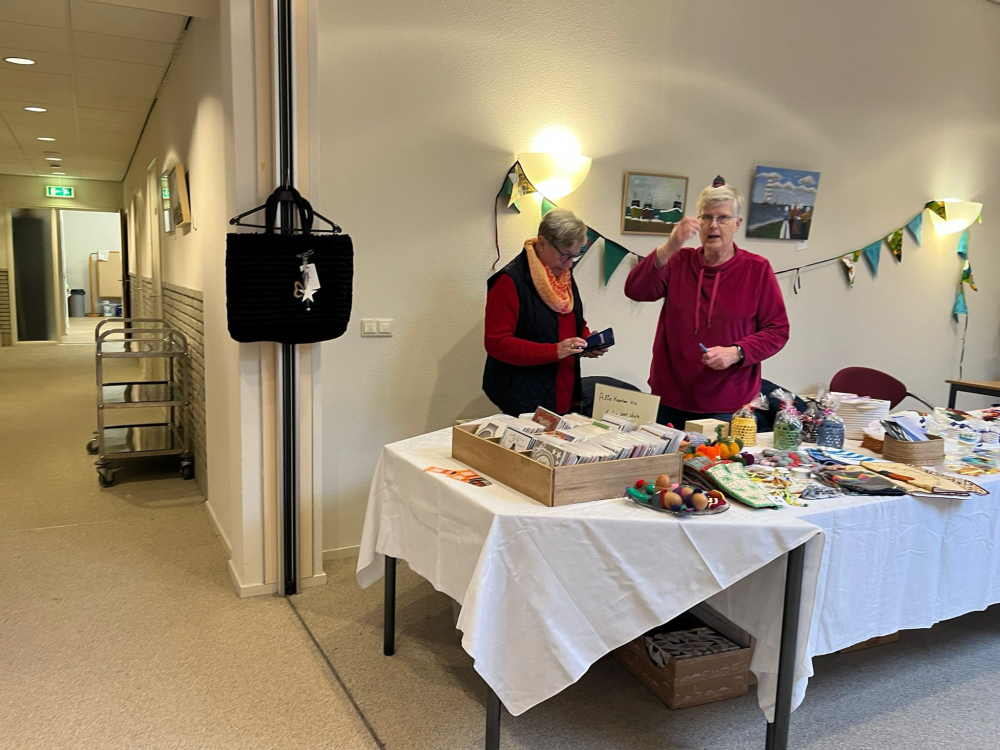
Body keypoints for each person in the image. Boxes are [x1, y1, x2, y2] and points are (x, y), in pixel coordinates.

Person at [624, 178, 789, 428]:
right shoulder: (678, 261)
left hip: (729, 405)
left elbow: (778, 330)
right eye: (707, 217)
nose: (713, 225)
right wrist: (670, 246)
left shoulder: (757, 269)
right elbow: (636, 290)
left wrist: (737, 352)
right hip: (669, 399)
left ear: (737, 223)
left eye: (722, 218)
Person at [483, 208, 606, 416]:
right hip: (523, 395)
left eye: (575, 256)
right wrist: (554, 351)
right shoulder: (509, 280)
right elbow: (497, 343)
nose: (569, 263)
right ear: (542, 243)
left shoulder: (564, 275)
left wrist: (586, 342)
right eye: (564, 255)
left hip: (564, 390)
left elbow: (572, 320)